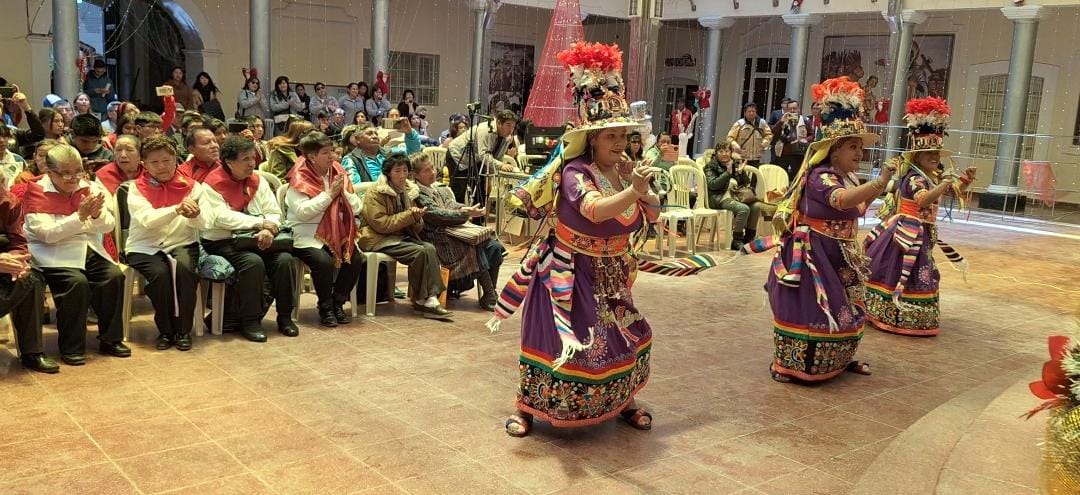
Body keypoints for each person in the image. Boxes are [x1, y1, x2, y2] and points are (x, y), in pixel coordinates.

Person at [491, 41, 661, 437]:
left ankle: (623, 400)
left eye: (623, 136)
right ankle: (528, 408)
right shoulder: (575, 172)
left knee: (620, 336)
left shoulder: (624, 170)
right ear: (591, 140)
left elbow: (651, 214)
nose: (619, 144)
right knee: (556, 340)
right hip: (568, 271)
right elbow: (595, 210)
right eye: (610, 137)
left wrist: (644, 191)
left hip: (612, 272)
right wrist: (634, 191)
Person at [757, 76, 892, 384]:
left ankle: (839, 359)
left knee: (847, 306)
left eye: (860, 147)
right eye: (852, 148)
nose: (859, 154)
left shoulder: (849, 176)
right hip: (813, 255)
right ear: (833, 151)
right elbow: (842, 201)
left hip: (839, 253)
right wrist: (880, 182)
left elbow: (857, 207)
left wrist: (873, 187)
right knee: (814, 309)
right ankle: (791, 365)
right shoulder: (822, 176)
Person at [864, 97, 976, 337]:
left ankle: (908, 314)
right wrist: (945, 183)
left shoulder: (932, 175)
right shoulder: (915, 178)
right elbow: (923, 199)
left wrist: (965, 180)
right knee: (901, 270)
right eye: (929, 154)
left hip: (921, 233)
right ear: (917, 156)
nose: (935, 157)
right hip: (906, 233)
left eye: (936, 153)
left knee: (920, 270)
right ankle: (894, 314)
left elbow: (954, 192)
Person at [25, 144, 127, 365]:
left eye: (78, 172)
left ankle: (111, 339)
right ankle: (72, 347)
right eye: (65, 174)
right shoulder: (36, 191)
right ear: (49, 172)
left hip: (87, 248)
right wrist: (80, 217)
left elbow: (107, 226)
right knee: (76, 283)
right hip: (52, 255)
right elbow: (47, 235)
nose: (73, 179)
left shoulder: (89, 187)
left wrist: (97, 214)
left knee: (113, 276)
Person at [202, 136, 297, 340]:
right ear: (229, 162)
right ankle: (250, 321)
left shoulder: (257, 180)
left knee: (284, 261)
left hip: (257, 237)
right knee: (252, 263)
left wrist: (269, 230)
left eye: (253, 157)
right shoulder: (212, 184)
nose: (252, 163)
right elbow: (220, 218)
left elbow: (273, 211)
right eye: (245, 159)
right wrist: (257, 223)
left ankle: (285, 316)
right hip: (223, 241)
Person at [124, 136, 207, 351]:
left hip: (182, 242)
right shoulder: (136, 188)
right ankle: (165, 330)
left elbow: (204, 223)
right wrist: (177, 209)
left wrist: (195, 214)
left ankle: (183, 330)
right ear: (144, 164)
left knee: (186, 271)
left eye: (167, 160)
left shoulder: (192, 186)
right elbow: (147, 221)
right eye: (154, 162)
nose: (161, 166)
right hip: (144, 246)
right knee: (160, 275)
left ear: (176, 160)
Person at [358, 152, 451, 320]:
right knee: (419, 252)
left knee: (428, 247)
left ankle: (427, 298)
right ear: (388, 173)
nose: (402, 175)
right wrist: (409, 215)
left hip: (398, 237)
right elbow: (381, 224)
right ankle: (426, 299)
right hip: (377, 238)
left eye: (405, 171)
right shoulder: (375, 192)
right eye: (397, 171)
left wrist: (417, 218)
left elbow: (414, 224)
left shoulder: (408, 190)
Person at [285, 132, 364, 327]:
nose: (332, 157)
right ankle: (325, 307)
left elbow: (357, 207)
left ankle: (338, 302)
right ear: (312, 156)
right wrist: (329, 195)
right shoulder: (299, 177)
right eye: (326, 153)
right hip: (307, 234)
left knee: (355, 258)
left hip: (337, 232)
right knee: (323, 261)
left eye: (332, 152)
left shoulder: (337, 172)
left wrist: (342, 194)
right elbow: (303, 213)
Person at [410, 153, 504, 310]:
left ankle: (489, 293)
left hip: (452, 232)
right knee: (477, 245)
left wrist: (465, 208)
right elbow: (436, 214)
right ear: (416, 175)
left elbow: (450, 204)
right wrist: (465, 214)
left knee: (494, 245)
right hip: (437, 238)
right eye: (427, 170)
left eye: (432, 168)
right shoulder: (417, 193)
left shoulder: (438, 188)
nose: (433, 172)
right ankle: (490, 294)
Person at [0, 173, 55, 373]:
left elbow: (18, 241)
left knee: (29, 279)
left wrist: (17, 262)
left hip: (4, 262)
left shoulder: (8, 201)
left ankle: (32, 353)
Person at [704, 141, 766, 251]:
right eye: (721, 151)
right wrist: (727, 173)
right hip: (719, 198)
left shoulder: (736, 164)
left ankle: (749, 238)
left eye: (727, 151)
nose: (724, 154)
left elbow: (745, 184)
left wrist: (741, 173)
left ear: (731, 152)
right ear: (716, 153)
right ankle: (737, 240)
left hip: (736, 196)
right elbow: (712, 185)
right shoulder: (711, 166)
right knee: (743, 209)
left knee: (756, 206)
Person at [447, 109, 516, 207]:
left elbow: (497, 157)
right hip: (457, 155)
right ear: (499, 123)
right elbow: (483, 154)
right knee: (459, 192)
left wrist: (493, 173)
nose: (511, 129)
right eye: (508, 125)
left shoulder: (506, 137)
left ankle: (478, 220)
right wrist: (500, 165)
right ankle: (456, 219)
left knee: (481, 192)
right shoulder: (486, 129)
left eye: (513, 126)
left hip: (476, 160)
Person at [340, 120, 422, 185]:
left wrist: (409, 133)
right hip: (369, 201)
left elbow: (413, 153)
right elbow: (355, 189)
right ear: (357, 139)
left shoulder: (389, 152)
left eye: (376, 133)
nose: (375, 136)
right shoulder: (350, 159)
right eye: (369, 134)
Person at [771, 99, 809, 181]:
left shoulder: (805, 120)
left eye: (794, 108)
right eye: (790, 109)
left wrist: (805, 140)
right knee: (781, 176)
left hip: (798, 153)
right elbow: (773, 131)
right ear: (786, 110)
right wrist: (781, 121)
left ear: (798, 109)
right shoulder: (783, 119)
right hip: (783, 152)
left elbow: (812, 134)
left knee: (797, 176)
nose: (792, 111)